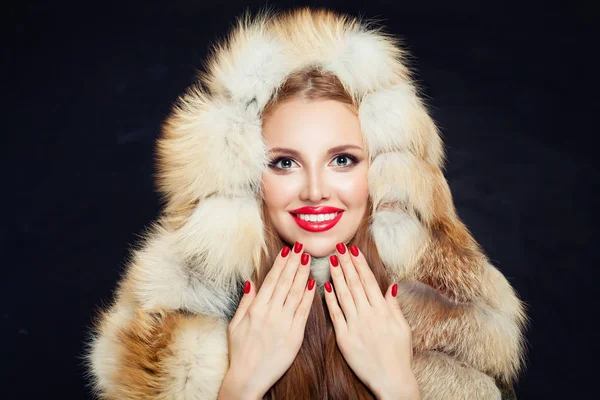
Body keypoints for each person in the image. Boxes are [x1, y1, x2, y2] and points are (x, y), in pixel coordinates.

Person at [86, 8, 527, 399]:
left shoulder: (458, 307)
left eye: (342, 160)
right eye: (283, 163)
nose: (315, 190)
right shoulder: (174, 320)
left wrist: (397, 386)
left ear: (383, 169)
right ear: (244, 175)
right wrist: (242, 384)